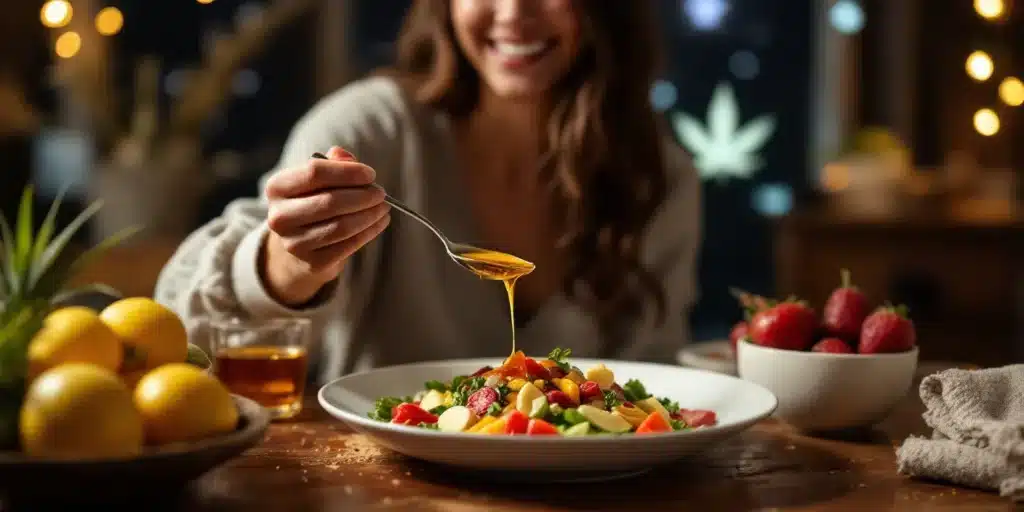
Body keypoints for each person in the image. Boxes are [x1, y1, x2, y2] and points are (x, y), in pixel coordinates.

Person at [155, 0, 702, 384]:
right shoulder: (371, 130)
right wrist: (286, 267)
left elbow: (655, 374)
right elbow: (182, 326)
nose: (513, 12)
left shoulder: (656, 172)